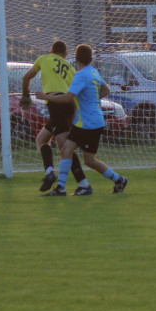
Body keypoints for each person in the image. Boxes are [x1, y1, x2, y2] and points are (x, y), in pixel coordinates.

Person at [36, 44, 128, 197]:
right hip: (89, 121)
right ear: (91, 59)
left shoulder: (81, 75)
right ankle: (64, 188)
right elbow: (106, 90)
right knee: (69, 151)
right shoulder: (93, 72)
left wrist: (45, 97)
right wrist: (91, 99)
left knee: (87, 159)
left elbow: (67, 98)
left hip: (88, 123)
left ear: (76, 58)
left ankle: (117, 180)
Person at [20, 40, 87, 193]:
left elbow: (26, 78)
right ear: (65, 54)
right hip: (68, 106)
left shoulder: (44, 59)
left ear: (51, 51)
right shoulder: (70, 68)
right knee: (41, 139)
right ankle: (49, 172)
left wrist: (25, 95)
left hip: (56, 104)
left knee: (65, 148)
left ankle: (83, 183)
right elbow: (75, 94)